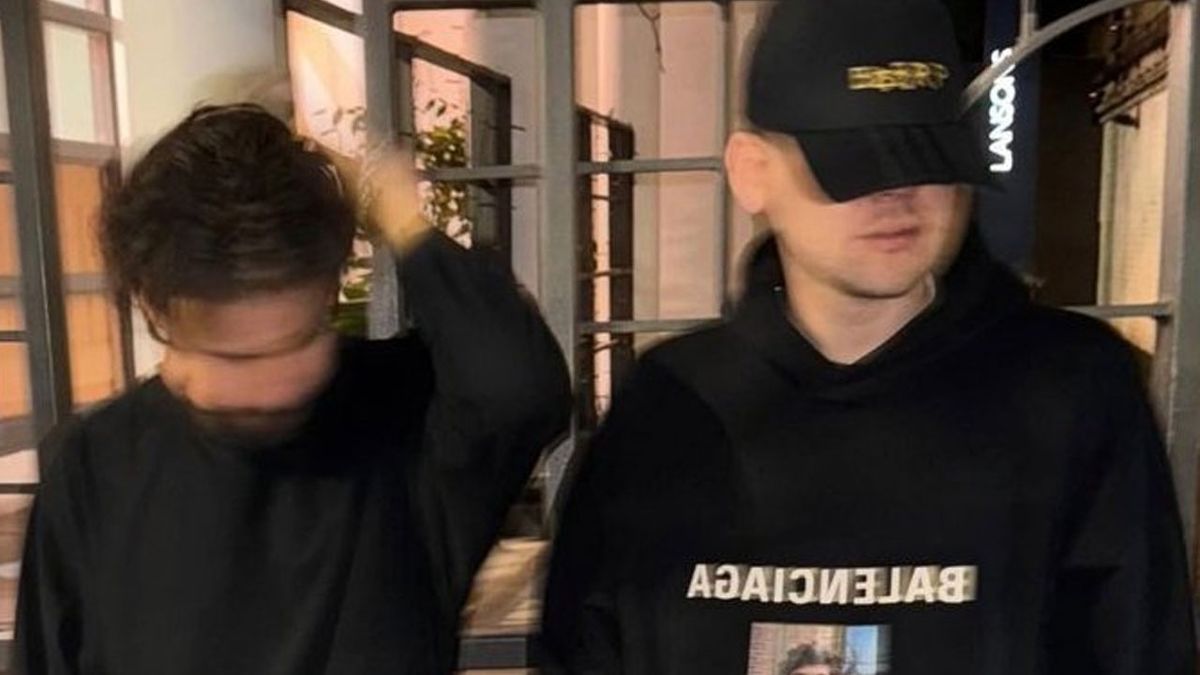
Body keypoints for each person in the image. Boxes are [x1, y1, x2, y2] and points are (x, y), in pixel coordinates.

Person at [541, 1, 1196, 673]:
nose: (898, 194)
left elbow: (1140, 649)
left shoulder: (1073, 391)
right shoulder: (668, 407)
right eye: (854, 162)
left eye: (927, 156)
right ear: (752, 171)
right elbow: (585, 648)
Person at [15, 104, 571, 674]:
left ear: (330, 292)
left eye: (299, 341)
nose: (272, 387)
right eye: (234, 357)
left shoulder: (399, 420)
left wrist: (404, 225)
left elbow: (520, 388)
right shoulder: (97, 465)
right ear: (156, 313)